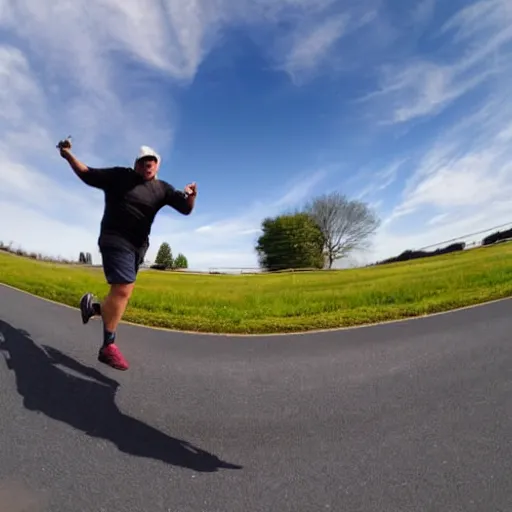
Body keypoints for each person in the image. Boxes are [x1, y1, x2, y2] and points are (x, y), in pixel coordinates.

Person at [57, 137, 197, 371]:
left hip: (138, 246)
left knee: (123, 295)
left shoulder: (162, 189)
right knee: (122, 287)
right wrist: (68, 155)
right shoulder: (120, 176)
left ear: (157, 165)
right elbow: (87, 173)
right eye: (143, 162)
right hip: (114, 238)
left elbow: (186, 209)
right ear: (136, 164)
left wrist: (191, 195)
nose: (147, 165)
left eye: (151, 162)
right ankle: (108, 347)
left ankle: (92, 308)